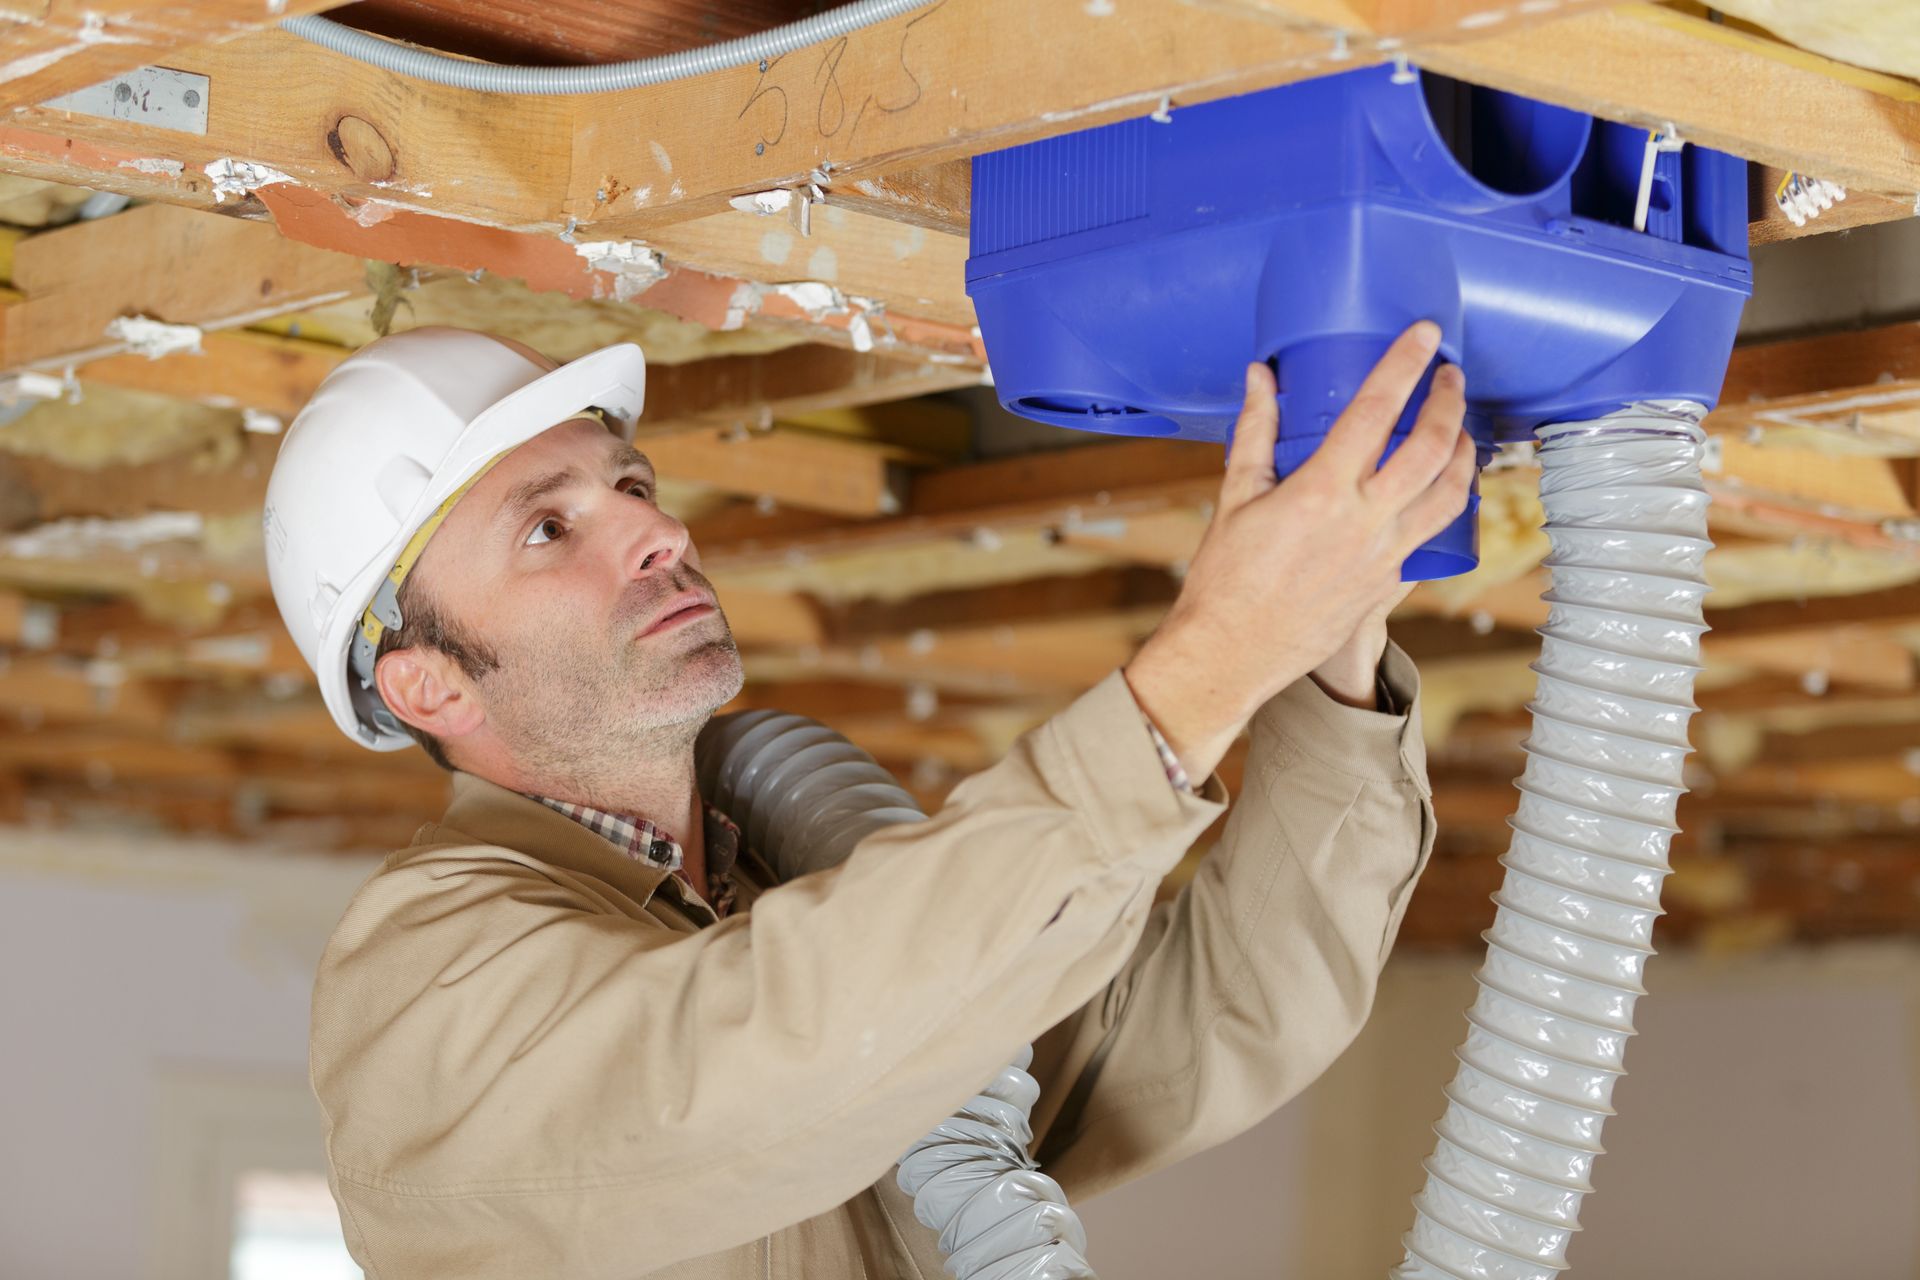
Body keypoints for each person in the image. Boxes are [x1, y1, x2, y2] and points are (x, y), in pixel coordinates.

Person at [266, 320, 1473, 1278]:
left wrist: (1327, 652)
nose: (656, 528)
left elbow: (1209, 1020)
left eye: (630, 481)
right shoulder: (423, 986)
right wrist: (1212, 659)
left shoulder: (795, 890)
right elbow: (757, 1054)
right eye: (546, 527)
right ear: (427, 683)